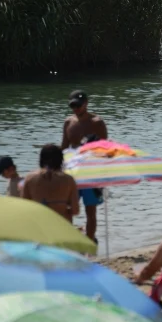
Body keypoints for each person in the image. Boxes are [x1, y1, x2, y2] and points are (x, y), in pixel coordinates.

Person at [61, 90, 107, 241]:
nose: (76, 109)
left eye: (78, 106)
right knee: (67, 208)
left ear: (86, 104)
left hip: (90, 172)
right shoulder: (68, 122)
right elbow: (64, 148)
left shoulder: (97, 123)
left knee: (90, 210)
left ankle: (90, 240)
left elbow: (105, 148)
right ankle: (69, 240)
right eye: (73, 106)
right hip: (71, 172)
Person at [21, 144, 80, 222]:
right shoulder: (69, 180)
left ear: (41, 160)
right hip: (61, 225)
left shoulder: (30, 178)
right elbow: (75, 210)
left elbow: (23, 208)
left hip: (39, 225)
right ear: (61, 160)